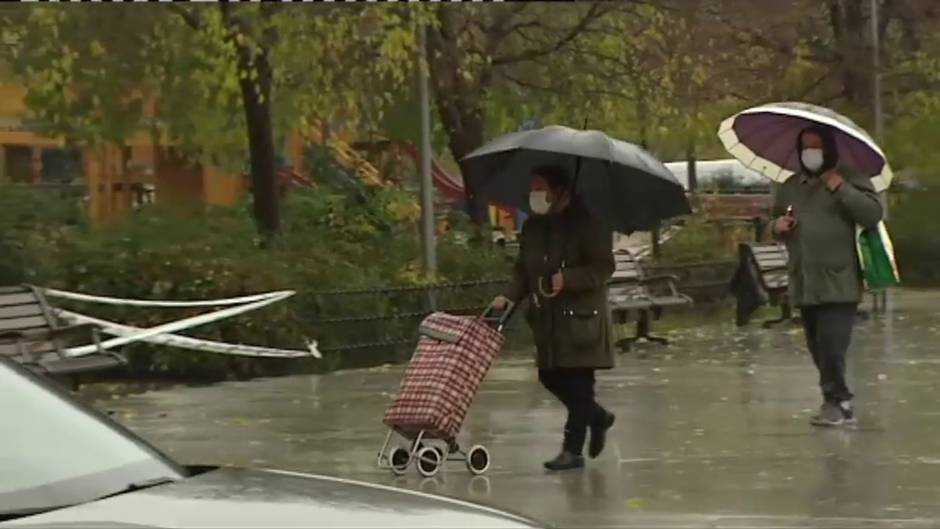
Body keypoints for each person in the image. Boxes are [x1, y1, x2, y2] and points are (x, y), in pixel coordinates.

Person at [492, 164, 616, 471]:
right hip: (546, 318)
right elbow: (523, 269)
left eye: (540, 187)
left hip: (580, 318)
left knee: (579, 383)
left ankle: (572, 451)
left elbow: (603, 267)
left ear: (559, 191)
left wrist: (569, 279)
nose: (534, 194)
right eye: (532, 187)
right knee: (549, 376)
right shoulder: (535, 226)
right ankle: (597, 417)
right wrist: (508, 295)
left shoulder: (590, 222)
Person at [770, 124, 883, 427]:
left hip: (838, 279)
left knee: (833, 345)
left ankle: (839, 400)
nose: (811, 153)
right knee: (818, 346)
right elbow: (775, 218)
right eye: (805, 146)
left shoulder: (849, 178)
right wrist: (777, 226)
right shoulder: (791, 186)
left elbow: (872, 214)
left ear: (829, 149)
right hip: (805, 280)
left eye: (817, 146)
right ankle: (832, 400)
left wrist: (841, 188)